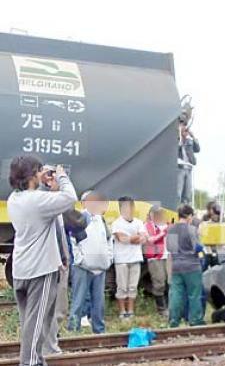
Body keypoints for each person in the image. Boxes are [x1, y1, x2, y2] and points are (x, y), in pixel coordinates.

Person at [7, 157, 77, 366]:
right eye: (38, 171)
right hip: (41, 270)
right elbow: (70, 197)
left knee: (30, 322)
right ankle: (29, 363)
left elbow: (40, 200)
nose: (41, 174)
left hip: (21, 270)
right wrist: (61, 175)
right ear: (30, 175)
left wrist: (43, 178)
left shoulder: (14, 198)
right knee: (37, 324)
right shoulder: (37, 201)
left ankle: (36, 361)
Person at [67, 191, 112, 333]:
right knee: (78, 300)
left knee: (99, 302)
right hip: (82, 267)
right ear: (84, 203)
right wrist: (79, 259)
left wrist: (108, 259)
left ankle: (99, 329)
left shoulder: (101, 220)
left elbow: (109, 240)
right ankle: (74, 328)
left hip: (100, 267)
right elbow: (73, 241)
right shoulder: (80, 219)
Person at [167, 204, 205, 327]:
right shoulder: (192, 229)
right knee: (194, 294)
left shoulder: (171, 229)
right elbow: (197, 248)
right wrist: (201, 238)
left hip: (176, 266)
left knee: (176, 294)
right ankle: (195, 320)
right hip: (192, 266)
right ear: (189, 216)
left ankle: (174, 320)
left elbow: (170, 249)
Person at [111, 196, 148, 319]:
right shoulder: (116, 223)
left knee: (133, 286)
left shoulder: (139, 222)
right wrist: (134, 237)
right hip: (121, 259)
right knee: (122, 286)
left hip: (135, 258)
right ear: (121, 208)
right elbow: (122, 239)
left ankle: (130, 310)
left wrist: (131, 238)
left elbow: (143, 238)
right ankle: (122, 311)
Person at [144, 205, 170, 316]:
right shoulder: (146, 226)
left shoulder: (167, 225)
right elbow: (150, 240)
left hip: (168, 256)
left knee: (170, 282)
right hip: (155, 258)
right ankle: (161, 309)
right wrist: (163, 233)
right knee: (159, 282)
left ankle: (170, 307)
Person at [177, 115, 200, 204]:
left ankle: (184, 211)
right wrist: (179, 135)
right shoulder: (175, 139)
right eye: (182, 125)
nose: (184, 128)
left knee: (187, 194)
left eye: (185, 125)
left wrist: (193, 136)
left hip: (189, 168)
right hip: (179, 168)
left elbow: (197, 149)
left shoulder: (189, 141)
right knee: (178, 193)